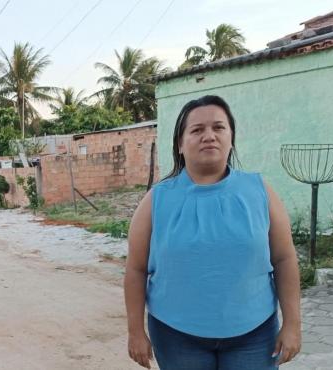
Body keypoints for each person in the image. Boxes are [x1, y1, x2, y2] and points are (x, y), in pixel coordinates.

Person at [124, 95, 301, 369]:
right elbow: (135, 269)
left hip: (254, 334)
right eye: (197, 130)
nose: (209, 136)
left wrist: (293, 324)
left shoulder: (259, 191)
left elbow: (285, 259)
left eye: (219, 128)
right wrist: (135, 331)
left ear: (231, 138)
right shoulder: (157, 200)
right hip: (176, 336)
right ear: (180, 144)